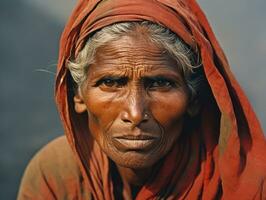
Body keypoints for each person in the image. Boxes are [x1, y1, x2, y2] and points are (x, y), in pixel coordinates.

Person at [17, 0, 266, 199]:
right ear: (78, 95)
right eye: (111, 83)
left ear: (193, 98)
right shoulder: (56, 174)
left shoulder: (245, 183)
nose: (135, 114)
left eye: (160, 84)